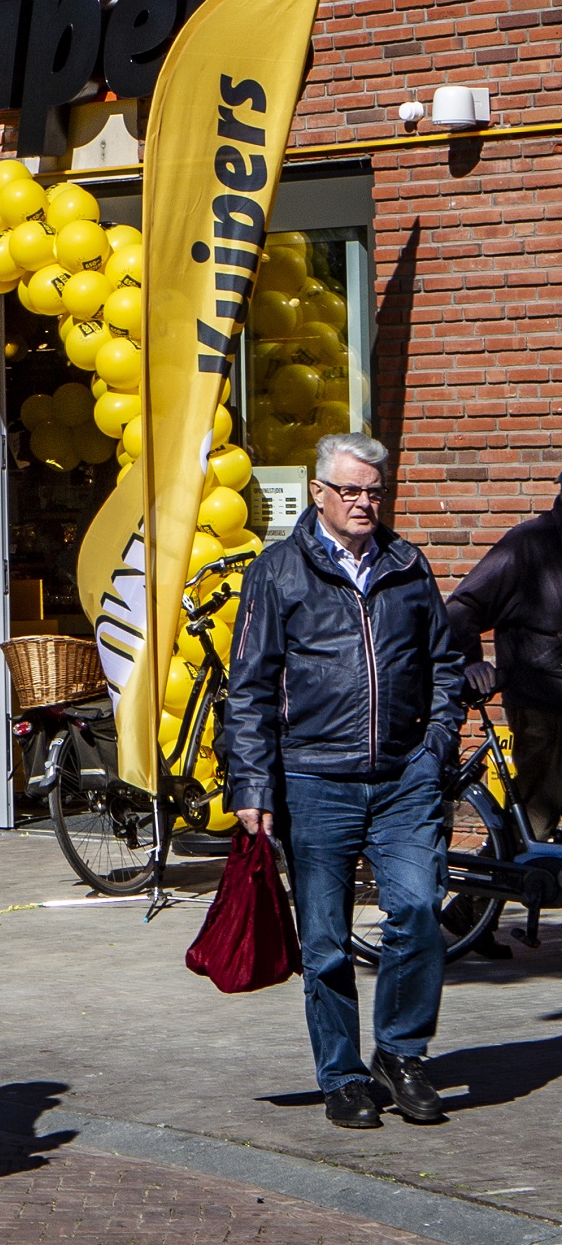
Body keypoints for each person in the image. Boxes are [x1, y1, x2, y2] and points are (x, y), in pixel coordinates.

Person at [223, 432, 465, 1132]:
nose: (365, 503)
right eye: (352, 490)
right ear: (320, 493)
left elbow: (444, 666)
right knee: (325, 942)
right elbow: (251, 687)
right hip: (311, 779)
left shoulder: (406, 564)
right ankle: (343, 1075)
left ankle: (401, 1054)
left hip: (403, 779)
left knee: (418, 912)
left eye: (374, 491)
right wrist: (253, 786)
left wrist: (436, 746)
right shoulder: (278, 570)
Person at [447, 477, 562, 843]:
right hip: (543, 704)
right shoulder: (528, 544)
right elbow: (462, 608)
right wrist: (472, 662)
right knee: (533, 822)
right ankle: (477, 898)